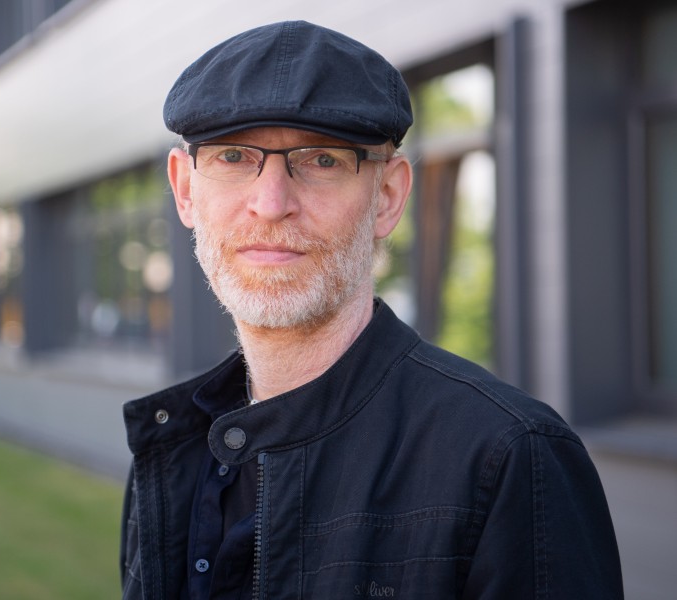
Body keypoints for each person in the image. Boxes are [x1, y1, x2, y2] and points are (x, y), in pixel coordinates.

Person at [120, 20, 622, 599]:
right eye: (234, 156)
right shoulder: (172, 452)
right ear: (185, 190)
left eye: (322, 161)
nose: (271, 204)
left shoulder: (511, 460)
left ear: (387, 198)